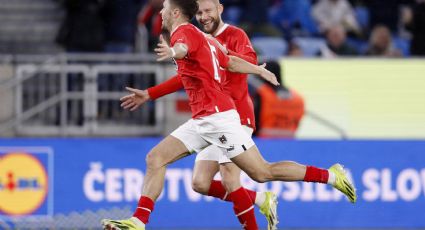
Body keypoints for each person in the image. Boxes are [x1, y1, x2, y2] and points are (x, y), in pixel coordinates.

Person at [102, 0, 357, 229]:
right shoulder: (206, 39)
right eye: (200, 11)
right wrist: (150, 93)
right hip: (204, 118)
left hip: (222, 118)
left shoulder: (186, 33)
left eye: (165, 7)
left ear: (177, 12)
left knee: (260, 173)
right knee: (158, 159)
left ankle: (332, 175)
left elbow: (184, 47)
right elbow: (225, 63)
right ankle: (138, 222)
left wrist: (174, 51)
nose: (161, 11)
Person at [249, 61, 304, 138]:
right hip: (290, 141)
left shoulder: (262, 94)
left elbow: (254, 119)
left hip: (263, 141)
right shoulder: (298, 97)